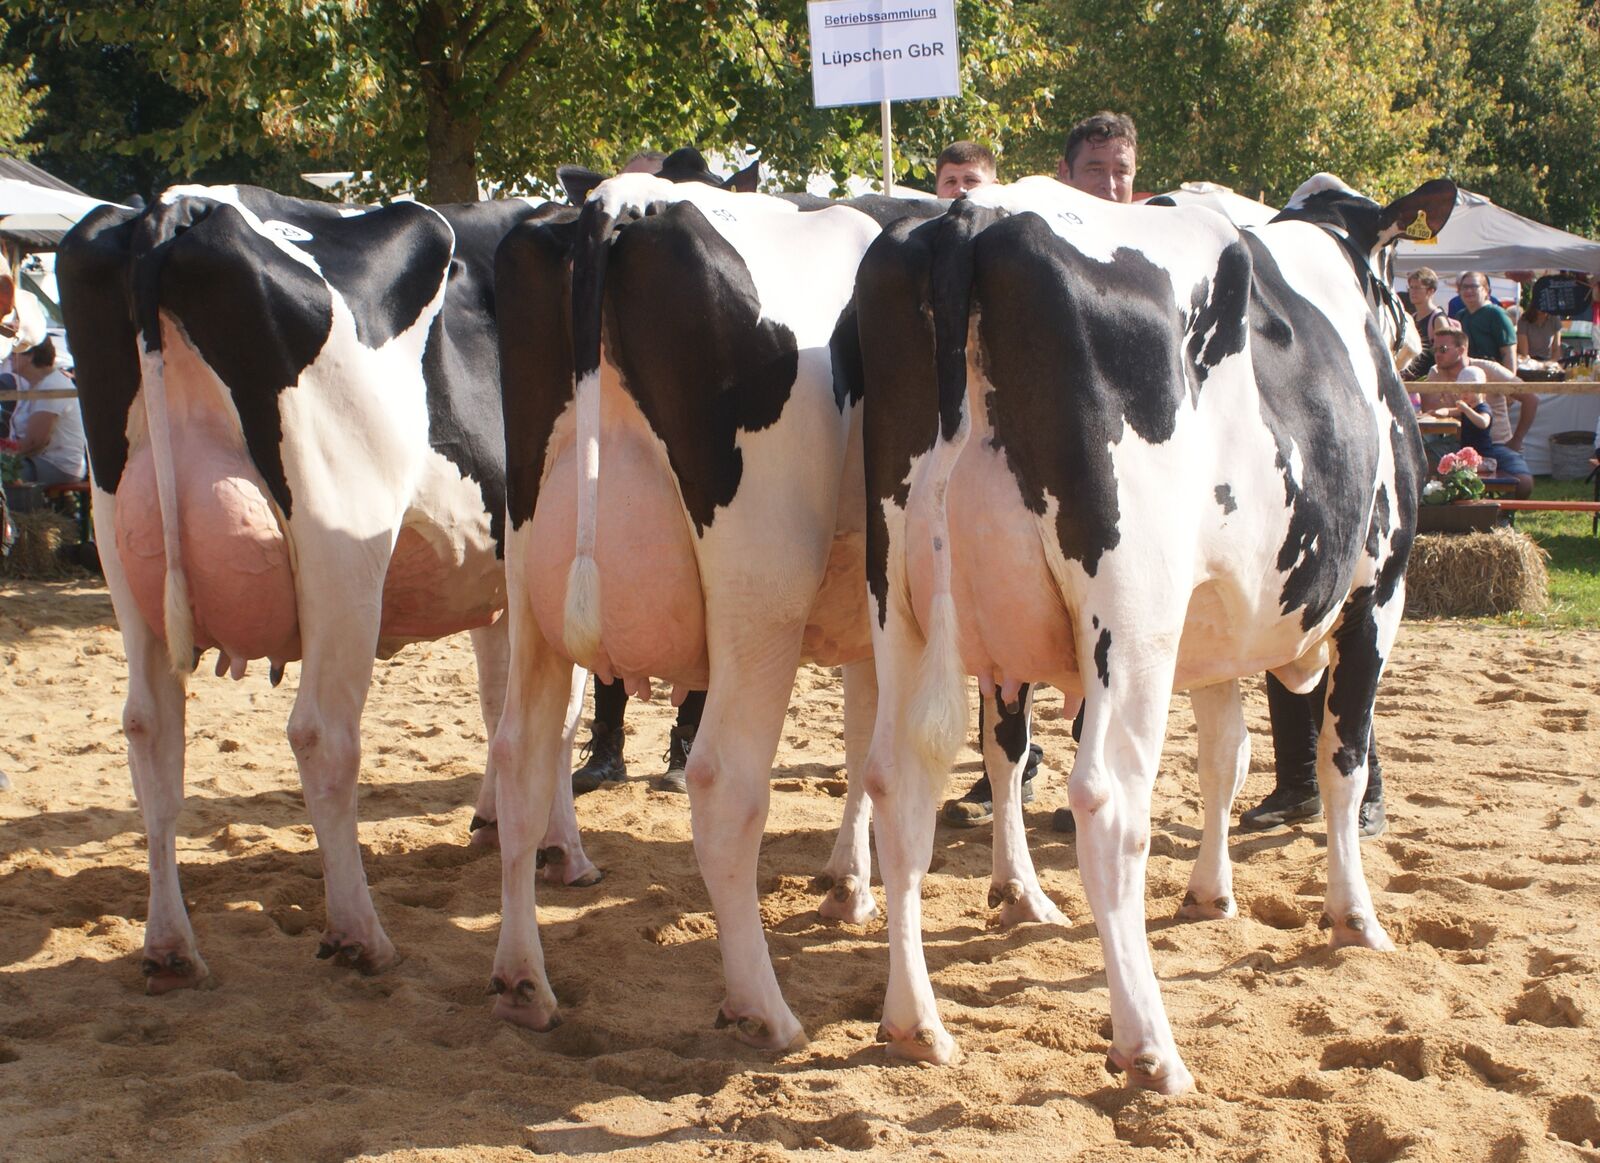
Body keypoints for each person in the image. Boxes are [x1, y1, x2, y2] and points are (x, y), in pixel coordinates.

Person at [942, 111, 1137, 830]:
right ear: (1065, 175)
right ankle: (1013, 771)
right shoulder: (1034, 248)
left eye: (1121, 171)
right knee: (1013, 638)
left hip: (1111, 481)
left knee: (1102, 642)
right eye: (1096, 171)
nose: (1111, 184)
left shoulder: (1144, 260)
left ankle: (1093, 769)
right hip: (1020, 468)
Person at [569, 144, 703, 796]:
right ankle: (606, 747)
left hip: (682, 448)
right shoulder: (596, 263)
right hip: (618, 448)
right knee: (608, 583)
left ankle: (685, 748)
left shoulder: (694, 258)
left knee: (701, 593)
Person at [1422, 316, 1536, 498]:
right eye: (1434, 350)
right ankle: (1447, 515)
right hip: (1458, 444)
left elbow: (1530, 398)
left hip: (1496, 444)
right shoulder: (1436, 372)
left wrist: (1517, 440)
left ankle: (1499, 517)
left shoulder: (1488, 369)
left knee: (1524, 484)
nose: (1437, 355)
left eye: (1443, 349)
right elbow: (1430, 415)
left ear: (1461, 350)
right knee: (1422, 462)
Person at [7, 336, 87, 487]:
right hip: (37, 461)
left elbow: (35, 442)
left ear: (30, 355)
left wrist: (6, 455)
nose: (10, 356)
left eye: (14, 352)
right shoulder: (33, 385)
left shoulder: (53, 386)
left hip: (58, 466)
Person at [1455, 271, 1518, 371]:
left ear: (1486, 290)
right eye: (1464, 287)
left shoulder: (1496, 314)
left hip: (1494, 374)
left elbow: (1508, 352)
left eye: (1474, 286)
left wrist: (1509, 384)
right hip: (1469, 375)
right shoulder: (1460, 316)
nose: (1468, 290)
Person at [1402, 268, 1447, 380]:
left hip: (1431, 382)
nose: (1412, 292)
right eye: (1411, 288)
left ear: (1430, 291)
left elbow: (1445, 353)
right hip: (1412, 381)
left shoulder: (1438, 319)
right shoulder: (1412, 318)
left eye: (1417, 288)